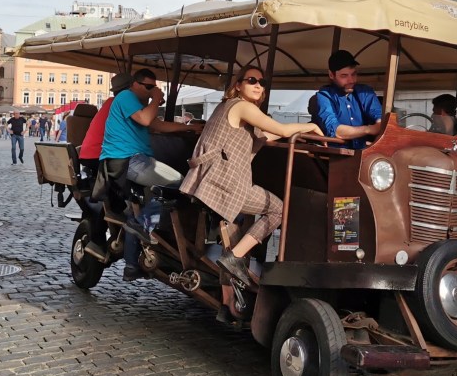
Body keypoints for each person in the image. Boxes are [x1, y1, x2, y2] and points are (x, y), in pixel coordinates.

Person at [181, 66, 322, 286]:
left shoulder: (229, 106)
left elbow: (266, 135)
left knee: (267, 210)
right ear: (238, 85)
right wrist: (311, 126)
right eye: (252, 81)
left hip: (214, 179)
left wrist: (297, 132)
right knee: (278, 210)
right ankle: (235, 257)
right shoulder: (242, 106)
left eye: (262, 82)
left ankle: (234, 271)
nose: (258, 86)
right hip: (225, 181)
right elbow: (282, 130)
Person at [100, 68, 202, 281]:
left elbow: (158, 125)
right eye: (148, 87)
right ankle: (144, 223)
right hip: (127, 161)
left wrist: (188, 128)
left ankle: (131, 266)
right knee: (180, 183)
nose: (151, 91)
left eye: (154, 87)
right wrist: (156, 98)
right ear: (134, 84)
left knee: (135, 210)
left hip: (129, 161)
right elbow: (147, 120)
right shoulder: (126, 96)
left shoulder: (136, 105)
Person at [314, 49, 382, 149]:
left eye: (353, 74)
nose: (351, 80)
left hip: (364, 153)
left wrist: (380, 122)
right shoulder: (325, 96)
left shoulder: (365, 92)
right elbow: (335, 130)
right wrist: (369, 129)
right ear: (331, 75)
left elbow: (379, 116)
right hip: (335, 155)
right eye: (344, 76)